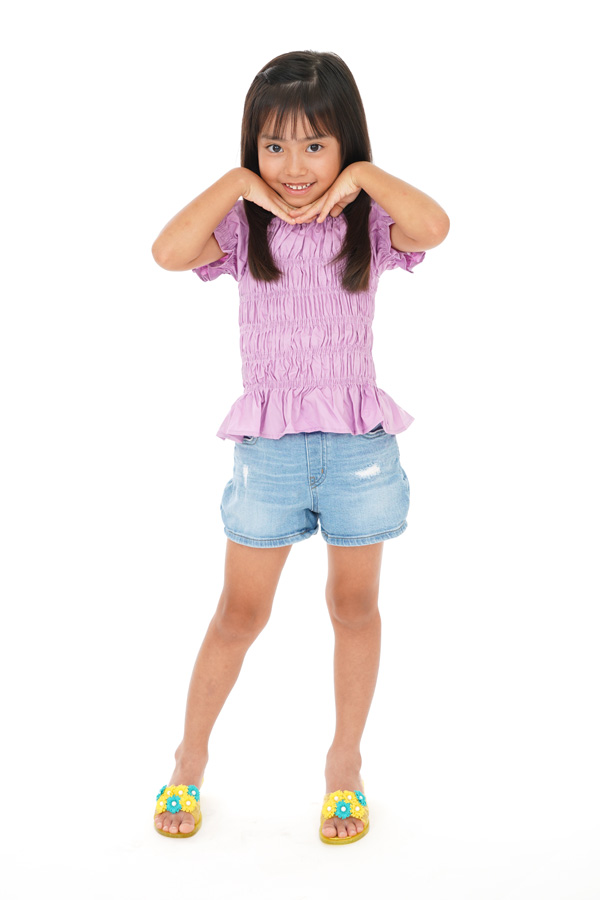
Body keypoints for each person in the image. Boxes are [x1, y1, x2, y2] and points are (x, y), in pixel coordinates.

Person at [151, 49, 450, 844]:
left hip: (358, 452)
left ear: (346, 145)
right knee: (239, 613)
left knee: (354, 608)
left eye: (316, 145)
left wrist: (364, 177)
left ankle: (344, 764)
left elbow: (434, 226)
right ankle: (188, 759)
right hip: (270, 454)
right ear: (253, 148)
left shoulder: (367, 222)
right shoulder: (244, 228)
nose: (293, 166)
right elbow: (168, 252)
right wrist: (236, 183)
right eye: (273, 146)